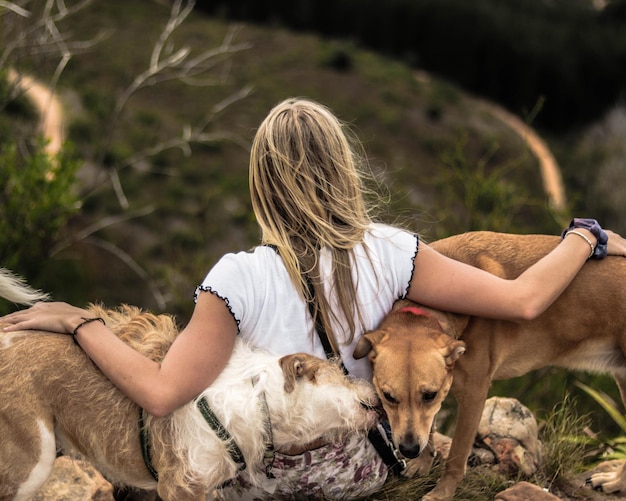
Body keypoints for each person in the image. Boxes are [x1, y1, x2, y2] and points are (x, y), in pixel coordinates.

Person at [4, 97, 626, 499]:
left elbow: (163, 392)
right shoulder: (393, 252)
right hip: (362, 470)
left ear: (261, 185)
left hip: (259, 478)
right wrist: (582, 237)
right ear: (344, 171)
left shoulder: (237, 277)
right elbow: (522, 301)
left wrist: (81, 323)